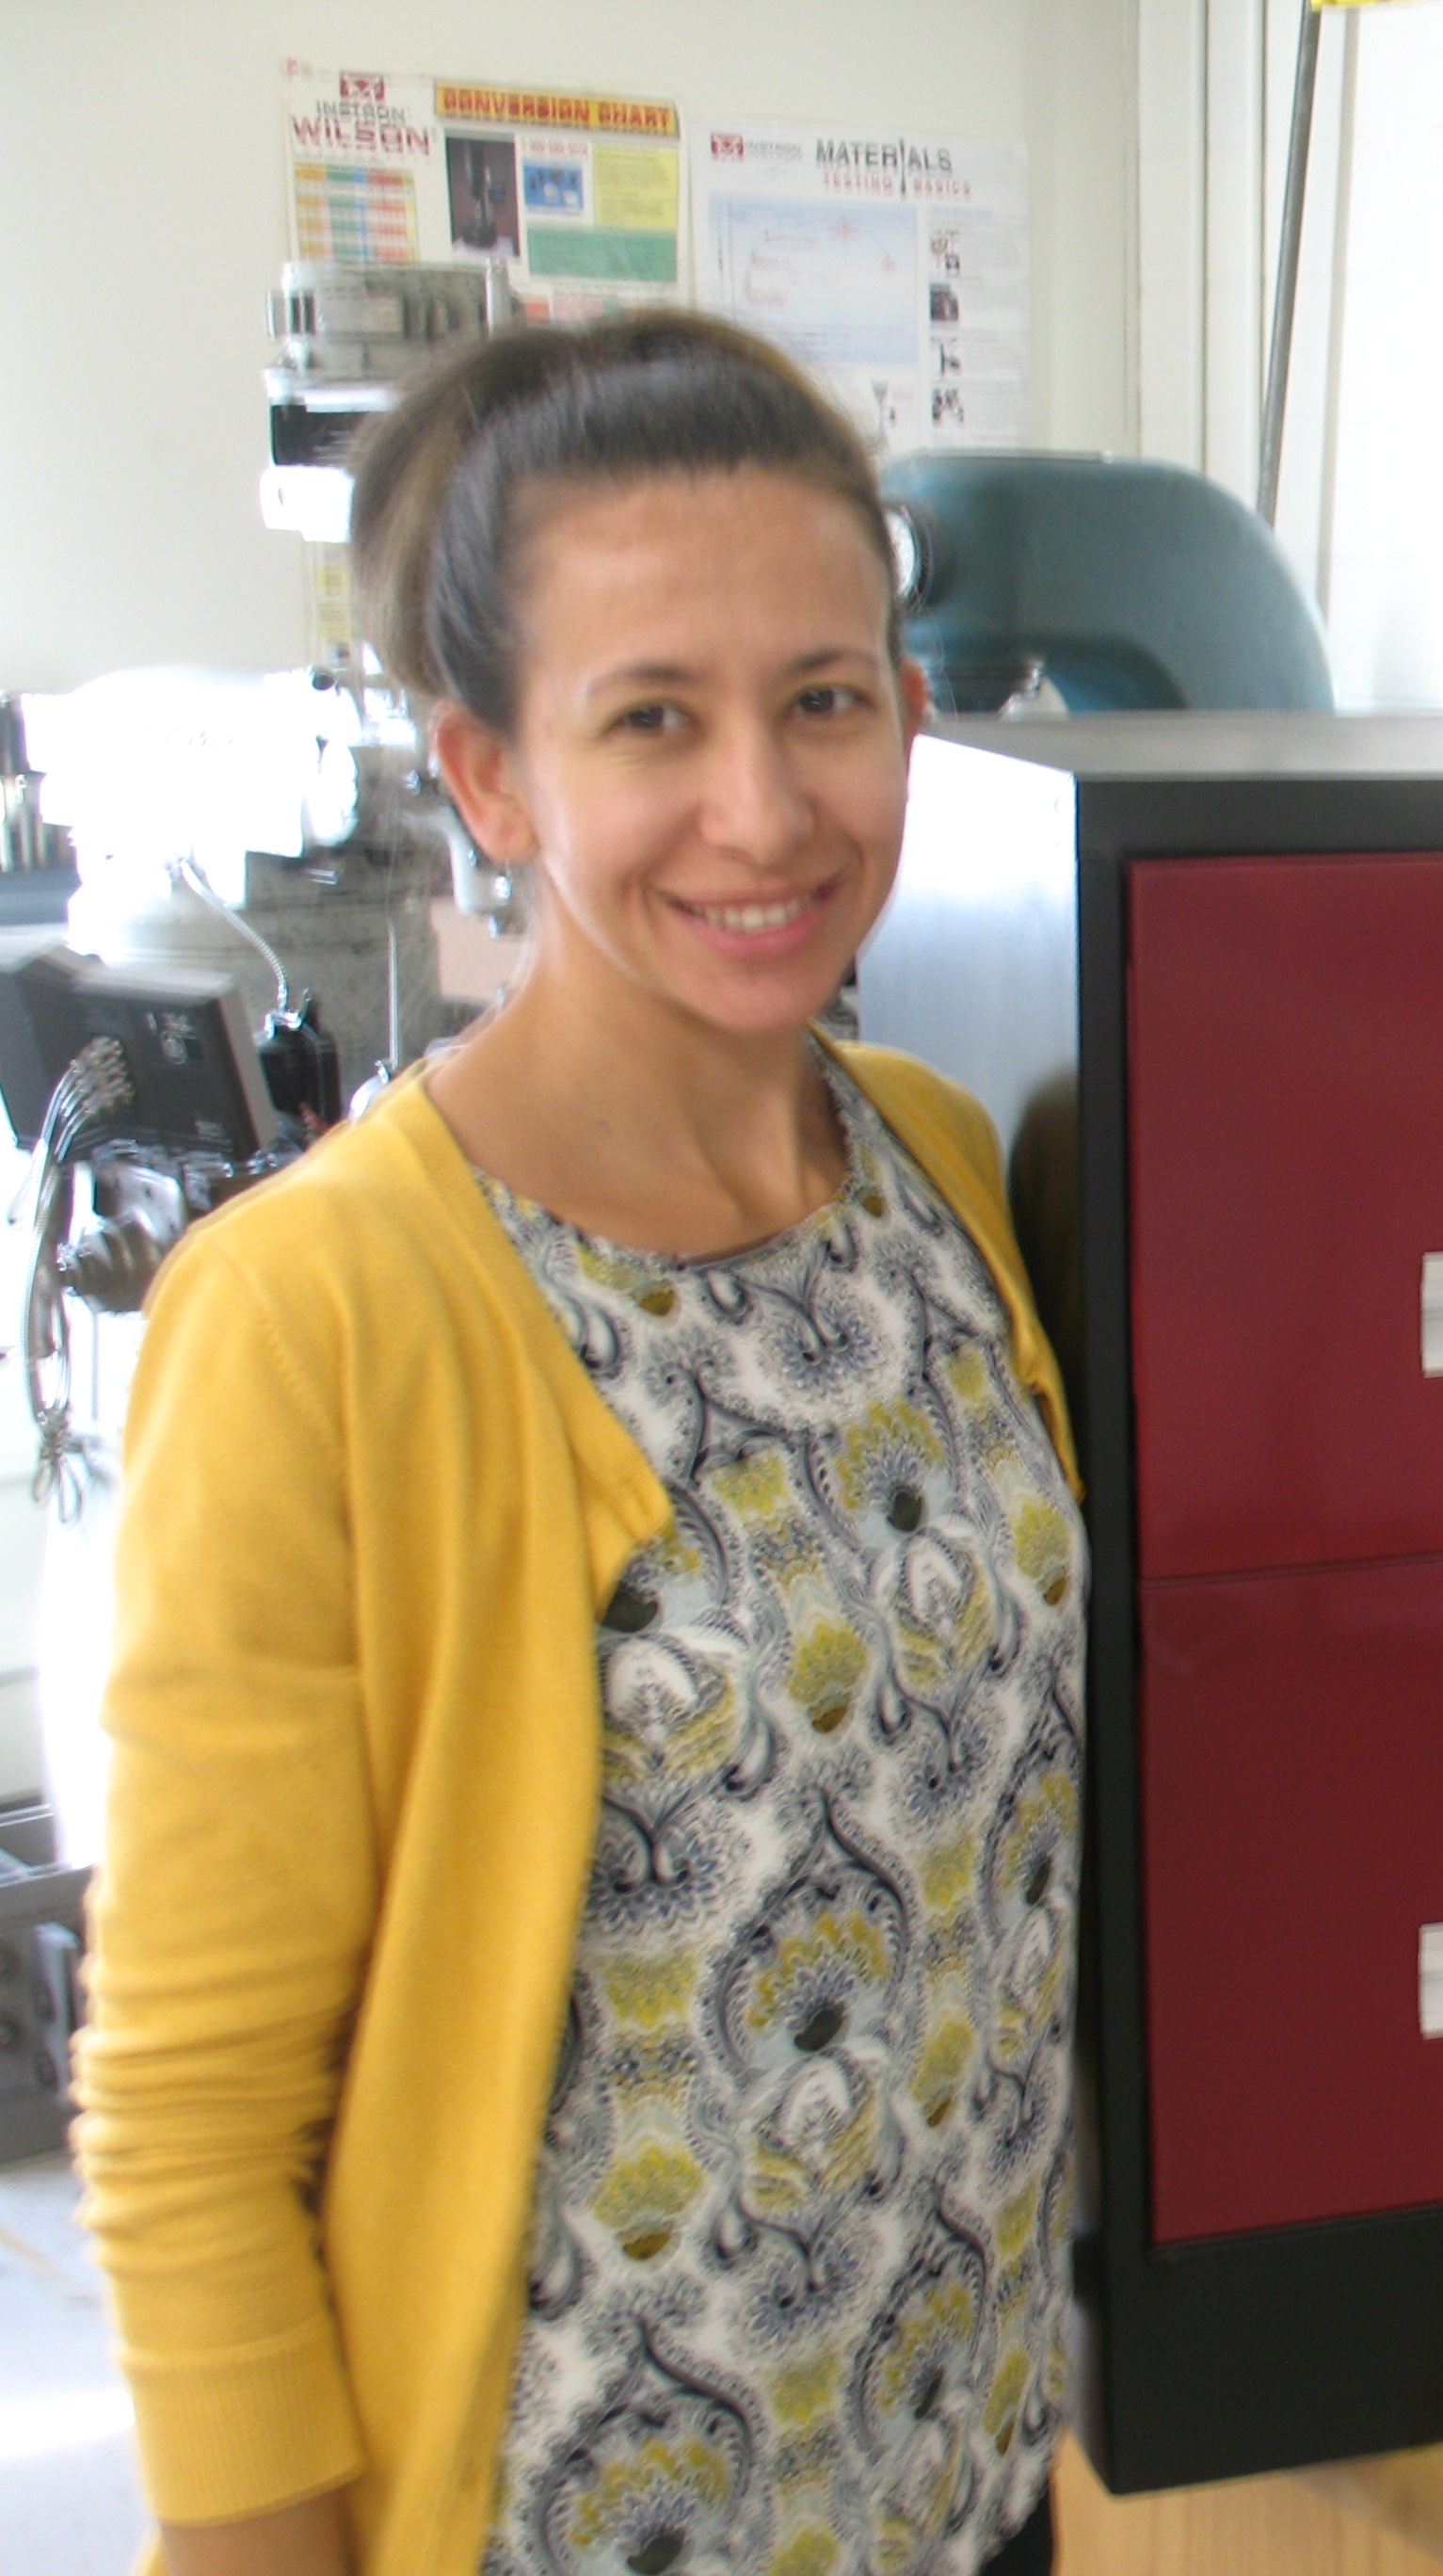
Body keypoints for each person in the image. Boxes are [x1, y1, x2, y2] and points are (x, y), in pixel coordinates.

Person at [74, 312, 1086, 2576]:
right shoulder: (319, 1314)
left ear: (913, 720)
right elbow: (188, 2121)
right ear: (492, 775)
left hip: (966, 2482)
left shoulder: (938, 1169)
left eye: (825, 699)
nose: (764, 807)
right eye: (654, 720)